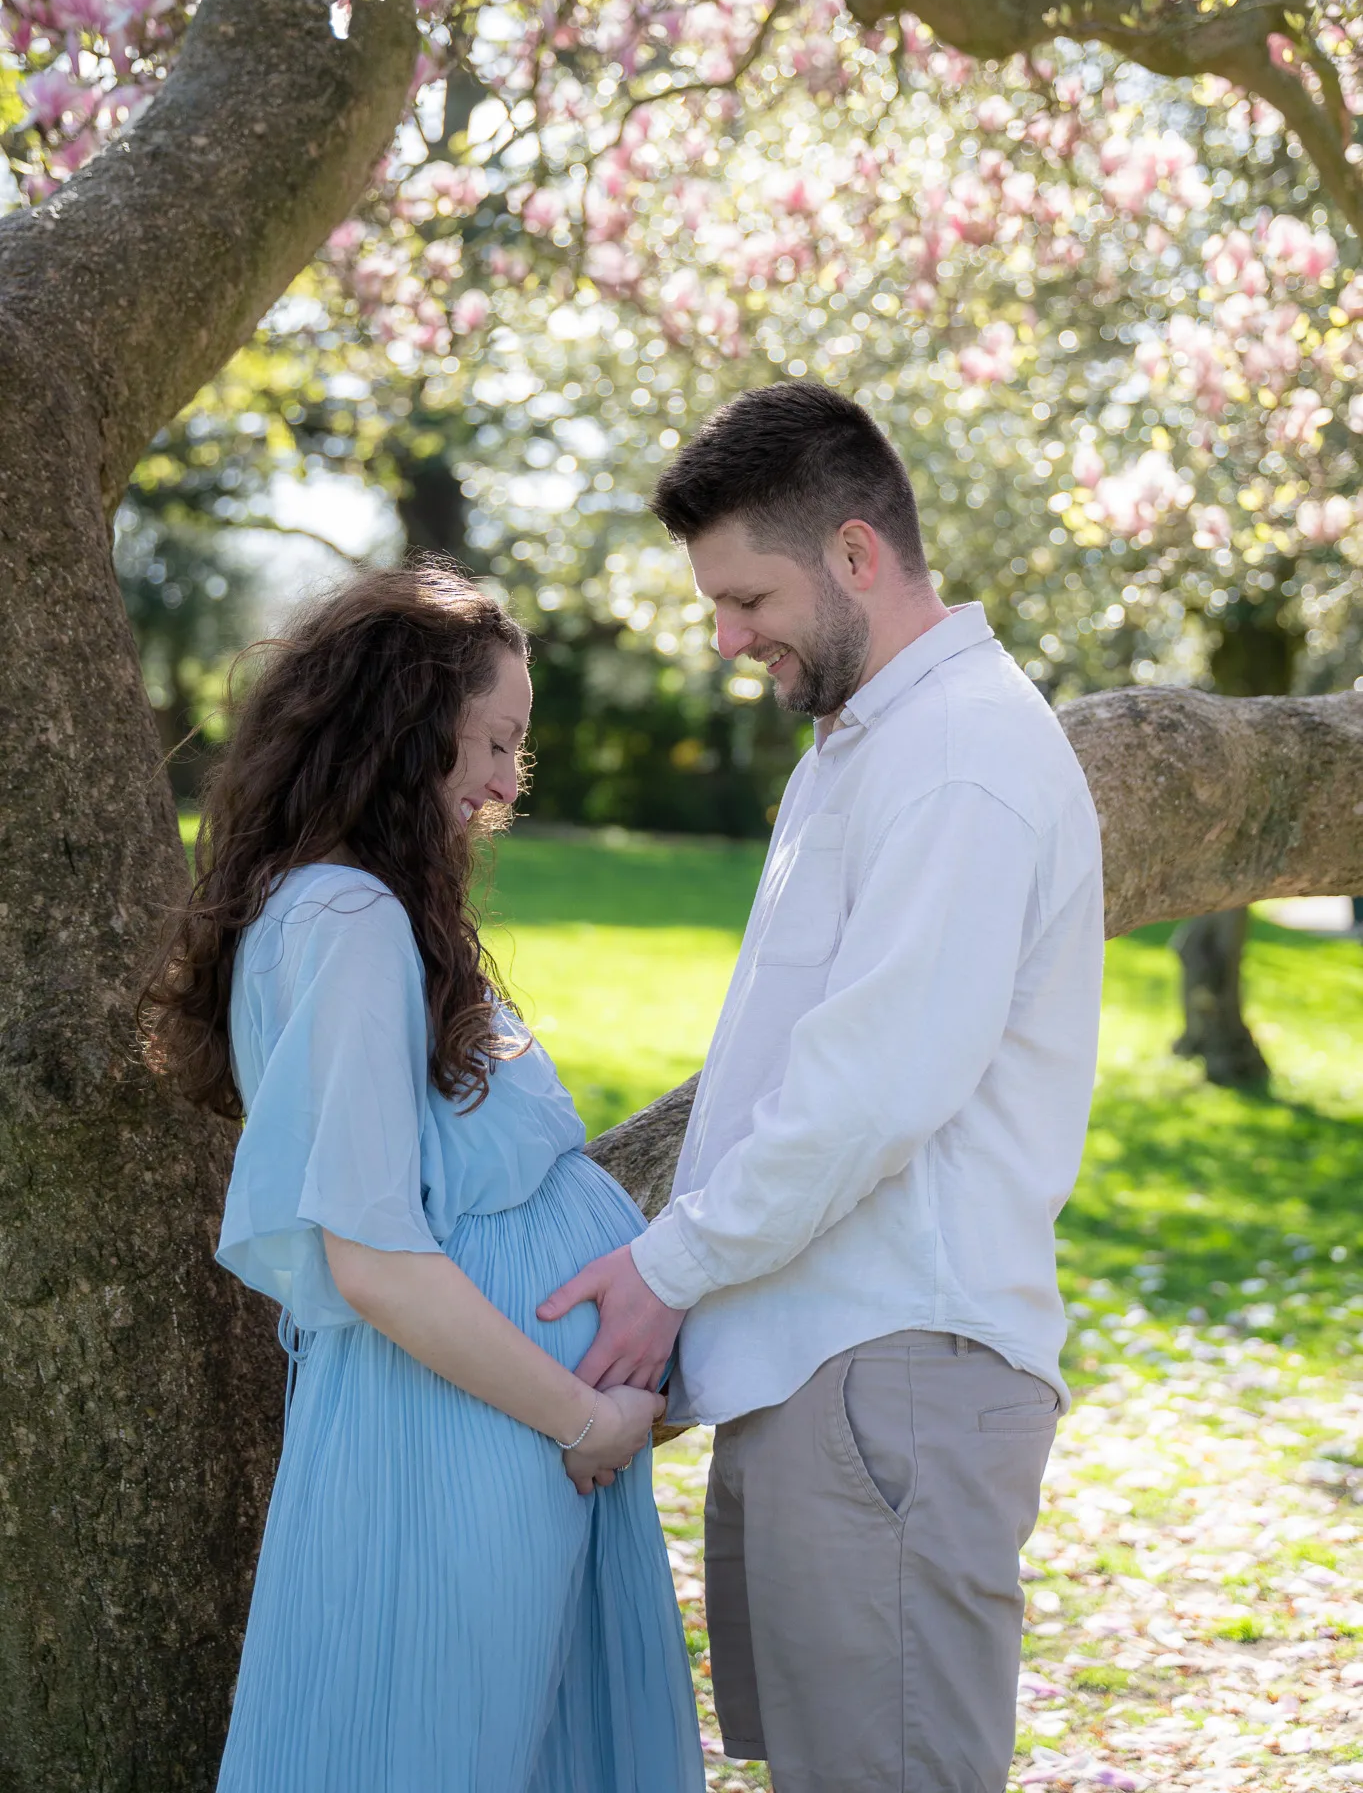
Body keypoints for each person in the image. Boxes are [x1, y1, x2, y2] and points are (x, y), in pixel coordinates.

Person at [540, 382, 1106, 1793]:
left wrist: (666, 1267)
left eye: (746, 598)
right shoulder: (869, 742)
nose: (728, 639)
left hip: (890, 1374)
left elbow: (868, 1092)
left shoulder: (958, 757)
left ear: (856, 554)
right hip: (824, 1373)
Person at [140, 562, 704, 1793]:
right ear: (405, 723)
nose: (509, 783)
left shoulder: (352, 908)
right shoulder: (348, 923)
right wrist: (586, 1415)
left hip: (482, 1438)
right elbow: (375, 1259)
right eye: (496, 741)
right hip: (457, 1445)